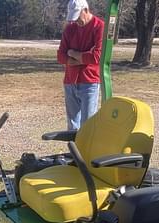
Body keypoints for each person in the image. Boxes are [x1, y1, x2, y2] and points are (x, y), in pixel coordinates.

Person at [57, 0, 104, 131]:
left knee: (88, 125)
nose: (75, 21)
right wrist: (83, 57)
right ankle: (73, 151)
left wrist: (72, 53)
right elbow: (60, 56)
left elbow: (96, 57)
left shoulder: (99, 27)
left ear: (86, 10)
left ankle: (85, 151)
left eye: (78, 16)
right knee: (72, 125)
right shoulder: (70, 28)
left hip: (90, 81)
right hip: (70, 81)